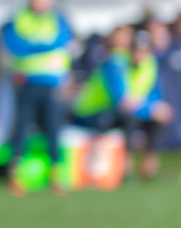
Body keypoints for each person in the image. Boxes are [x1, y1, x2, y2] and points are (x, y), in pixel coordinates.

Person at [1, 0, 73, 196]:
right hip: (27, 83)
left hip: (52, 85)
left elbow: (63, 42)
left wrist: (35, 45)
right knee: (21, 131)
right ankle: (16, 176)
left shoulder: (59, 19)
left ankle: (57, 177)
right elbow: (16, 47)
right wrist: (46, 45)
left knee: (54, 132)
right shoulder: (18, 19)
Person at [73, 25, 173, 180]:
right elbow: (122, 101)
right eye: (136, 49)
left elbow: (154, 95)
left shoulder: (150, 64)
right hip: (92, 111)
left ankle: (149, 161)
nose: (139, 54)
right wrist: (150, 108)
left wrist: (154, 109)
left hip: (120, 111)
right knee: (131, 117)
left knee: (157, 118)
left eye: (143, 50)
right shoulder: (116, 62)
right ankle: (126, 161)